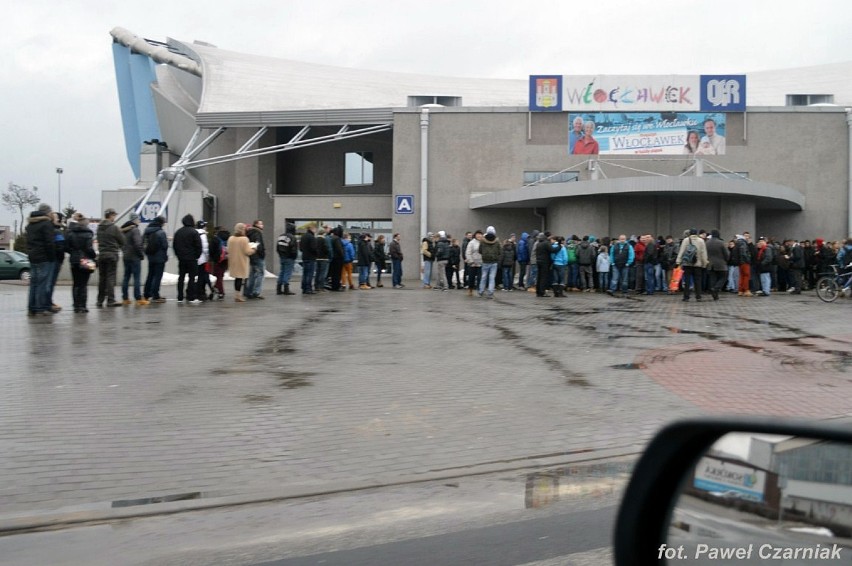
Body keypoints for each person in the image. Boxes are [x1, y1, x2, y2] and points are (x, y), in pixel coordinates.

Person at [25, 203, 57, 316]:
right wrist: (52, 257)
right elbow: (49, 243)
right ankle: (40, 307)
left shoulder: (30, 225)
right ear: (47, 212)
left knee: (33, 283)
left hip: (33, 256)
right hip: (44, 257)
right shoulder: (46, 224)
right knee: (42, 283)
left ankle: (31, 307)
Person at [65, 212, 96, 313]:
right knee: (83, 284)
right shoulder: (88, 234)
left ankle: (76, 305)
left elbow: (66, 247)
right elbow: (89, 249)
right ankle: (82, 306)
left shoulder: (70, 233)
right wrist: (93, 256)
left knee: (76, 283)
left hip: (74, 260)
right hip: (86, 260)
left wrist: (73, 253)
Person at [96, 208, 126, 308]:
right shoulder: (114, 228)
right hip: (112, 255)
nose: (115, 217)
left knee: (102, 278)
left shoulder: (99, 227)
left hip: (101, 254)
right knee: (110, 278)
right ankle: (111, 300)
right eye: (114, 215)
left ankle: (99, 300)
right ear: (111, 215)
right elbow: (123, 241)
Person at [173, 214, 203, 304]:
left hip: (181, 259)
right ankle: (191, 296)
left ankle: (180, 296)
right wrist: (197, 256)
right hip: (191, 259)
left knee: (181, 278)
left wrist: (178, 255)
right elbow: (198, 246)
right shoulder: (194, 232)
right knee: (192, 278)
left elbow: (175, 245)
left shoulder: (178, 232)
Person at [120, 212, 146, 306]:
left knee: (126, 277)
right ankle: (138, 298)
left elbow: (121, 243)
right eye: (138, 219)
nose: (139, 221)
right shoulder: (135, 230)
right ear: (135, 220)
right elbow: (138, 244)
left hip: (126, 256)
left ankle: (125, 298)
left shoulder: (124, 230)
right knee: (136, 278)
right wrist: (141, 254)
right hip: (134, 257)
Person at [676, 228, 709, 301]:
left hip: (687, 264)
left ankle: (686, 297)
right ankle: (698, 296)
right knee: (698, 281)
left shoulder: (686, 240)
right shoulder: (701, 241)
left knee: (687, 281)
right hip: (697, 264)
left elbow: (682, 251)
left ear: (690, 233)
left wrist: (678, 261)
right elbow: (703, 253)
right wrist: (704, 263)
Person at [227, 223, 256, 302]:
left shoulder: (231, 238)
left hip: (233, 260)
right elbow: (247, 251)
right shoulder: (244, 239)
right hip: (242, 261)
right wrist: (253, 249)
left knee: (237, 278)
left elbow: (228, 250)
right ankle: (238, 296)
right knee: (240, 278)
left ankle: (237, 294)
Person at [143, 216, 169, 303]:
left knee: (150, 275)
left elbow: (143, 243)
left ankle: (146, 293)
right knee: (157, 276)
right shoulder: (161, 232)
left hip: (150, 256)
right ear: (161, 223)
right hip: (160, 257)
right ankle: (155, 295)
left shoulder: (147, 231)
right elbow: (165, 245)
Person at [244, 220, 266, 299]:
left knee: (252, 274)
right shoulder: (257, 232)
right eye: (261, 224)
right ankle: (256, 292)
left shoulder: (249, 233)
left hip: (251, 256)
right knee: (260, 274)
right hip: (258, 256)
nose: (262, 225)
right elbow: (258, 244)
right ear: (256, 225)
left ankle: (249, 291)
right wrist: (261, 254)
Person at [705, 230, 729, 300]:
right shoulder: (721, 243)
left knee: (713, 278)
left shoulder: (707, 243)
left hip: (710, 264)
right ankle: (716, 288)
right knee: (724, 277)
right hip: (721, 264)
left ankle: (714, 293)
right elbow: (726, 254)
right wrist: (726, 260)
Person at [276, 222, 298, 296]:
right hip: (289, 257)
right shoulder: (292, 237)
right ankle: (286, 288)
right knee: (287, 273)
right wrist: (294, 257)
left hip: (282, 256)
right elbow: (294, 249)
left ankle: (278, 288)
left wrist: (280, 255)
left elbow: (277, 248)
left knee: (282, 272)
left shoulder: (280, 236)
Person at [478, 226, 501, 298]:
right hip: (494, 262)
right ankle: (490, 292)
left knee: (484, 277)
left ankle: (481, 291)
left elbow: (480, 250)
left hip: (485, 261)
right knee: (492, 278)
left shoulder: (482, 241)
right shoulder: (497, 241)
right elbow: (500, 251)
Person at [210, 226, 229, 300]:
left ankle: (221, 292)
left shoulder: (215, 239)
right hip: (226, 259)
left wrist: (213, 258)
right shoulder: (228, 237)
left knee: (219, 276)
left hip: (218, 260)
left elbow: (211, 250)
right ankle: (215, 288)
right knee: (220, 275)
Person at [465, 230, 483, 296]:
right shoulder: (471, 242)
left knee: (480, 278)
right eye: (478, 234)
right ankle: (470, 289)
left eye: (480, 234)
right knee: (471, 278)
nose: (479, 235)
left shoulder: (483, 242)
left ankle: (479, 290)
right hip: (472, 263)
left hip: (481, 263)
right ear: (475, 235)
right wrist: (471, 261)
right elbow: (468, 252)